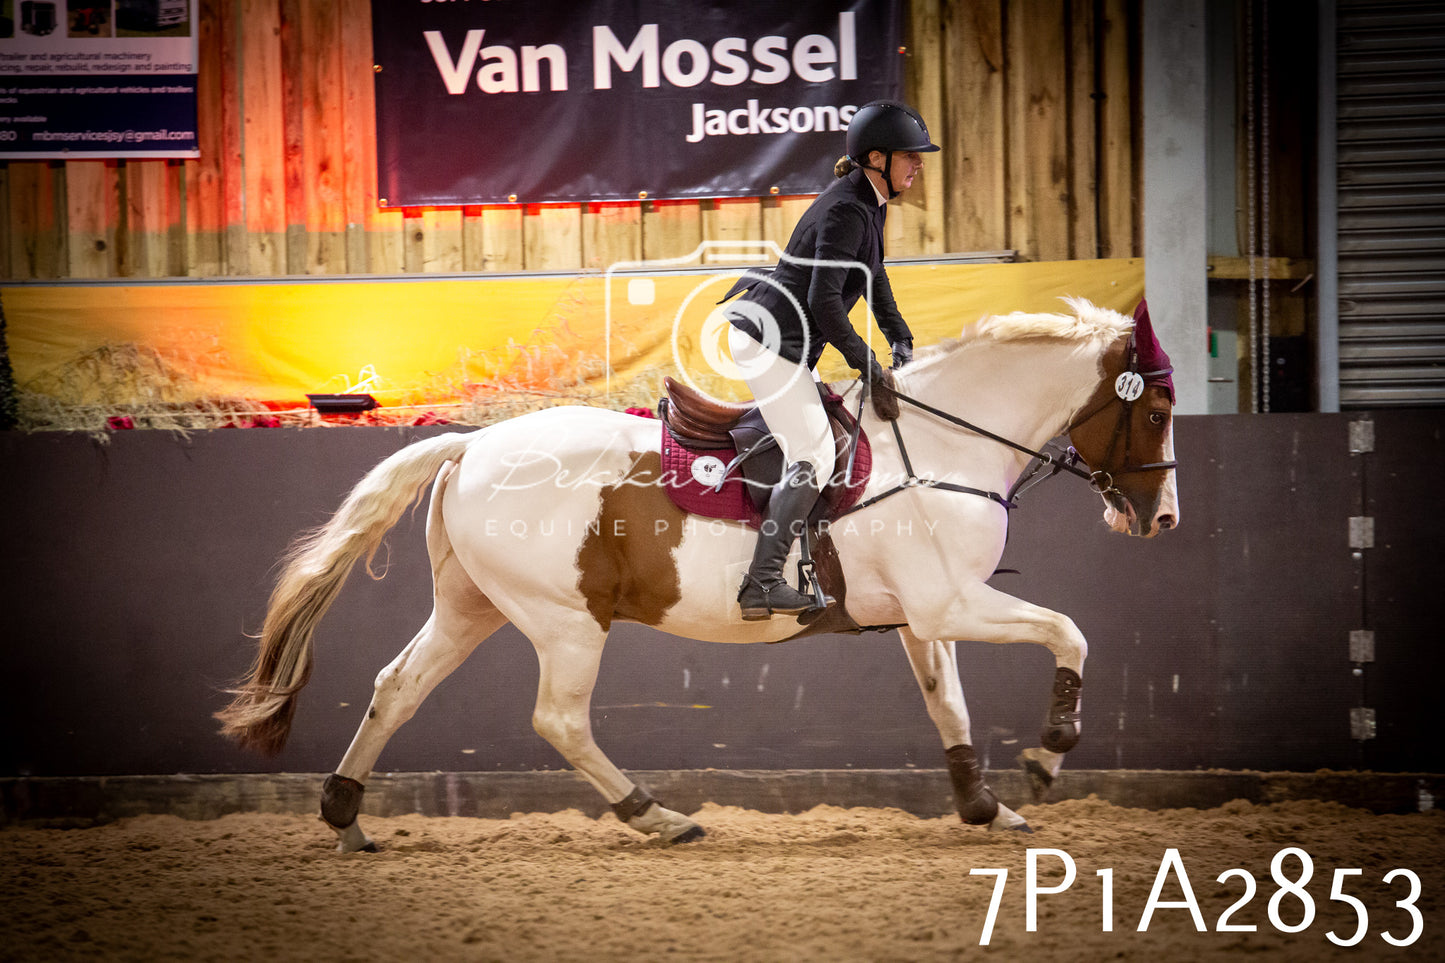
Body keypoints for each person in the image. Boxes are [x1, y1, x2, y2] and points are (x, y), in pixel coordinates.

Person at [724, 99, 939, 621]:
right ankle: (763, 582)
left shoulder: (869, 204)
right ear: (876, 158)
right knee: (815, 452)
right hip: (770, 343)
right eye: (911, 156)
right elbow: (825, 300)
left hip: (790, 344)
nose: (919, 165)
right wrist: (870, 365)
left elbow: (874, 278)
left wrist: (900, 337)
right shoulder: (846, 209)